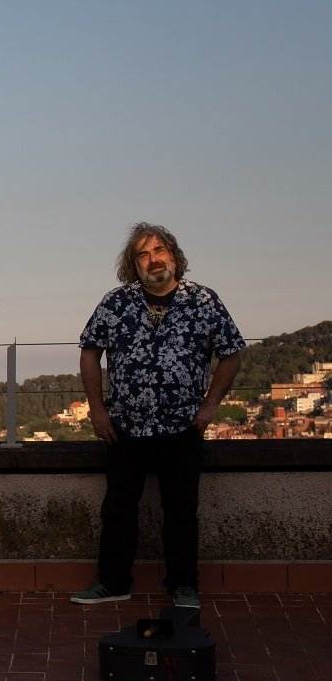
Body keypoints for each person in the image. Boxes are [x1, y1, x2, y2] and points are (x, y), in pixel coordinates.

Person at [72, 222, 244, 610]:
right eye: (143, 254)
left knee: (181, 511)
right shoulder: (116, 303)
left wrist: (211, 404)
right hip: (124, 427)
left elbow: (232, 351)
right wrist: (97, 409)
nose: (154, 259)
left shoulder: (203, 301)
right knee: (118, 509)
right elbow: (89, 352)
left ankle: (184, 586)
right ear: (134, 264)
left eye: (160, 250)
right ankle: (113, 582)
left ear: (175, 256)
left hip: (182, 426)